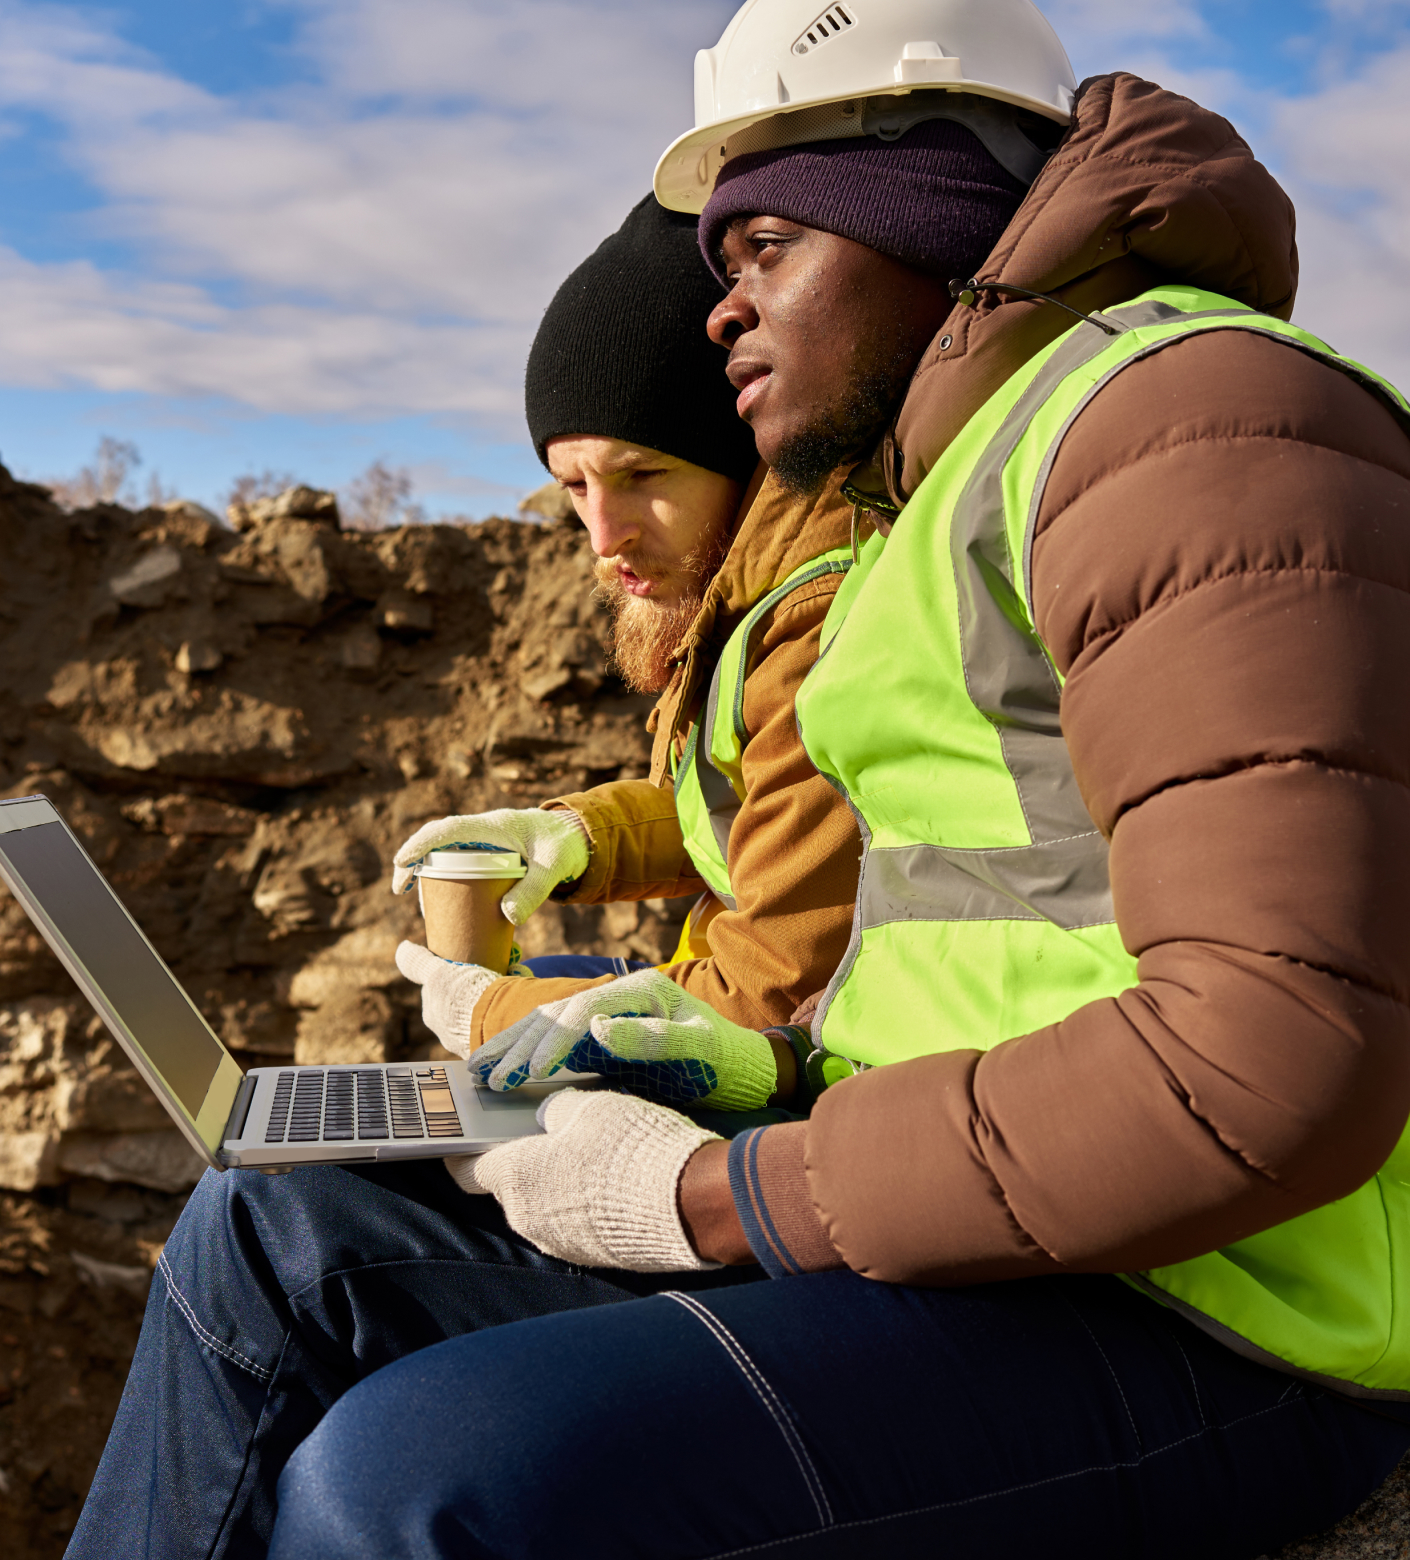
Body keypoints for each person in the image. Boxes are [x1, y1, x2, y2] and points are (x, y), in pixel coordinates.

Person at [65, 4, 1410, 1557]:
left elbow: (1267, 1063)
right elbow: (986, 943)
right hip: (979, 1212)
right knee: (279, 1230)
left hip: (1219, 1304)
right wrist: (732, 1078)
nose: (722, 312)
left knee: (414, 1478)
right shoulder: (959, 489)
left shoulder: (1190, 423)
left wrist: (713, 1194)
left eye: (763, 244)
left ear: (929, 205)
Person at [393, 194, 861, 1100]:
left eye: (641, 474)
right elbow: (745, 813)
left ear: (746, 451)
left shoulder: (816, 615)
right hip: (752, 1025)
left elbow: (774, 987)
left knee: (264, 1207)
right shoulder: (730, 594)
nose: (604, 535)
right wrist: (579, 837)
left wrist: (487, 1012)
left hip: (796, 1076)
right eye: (573, 486)